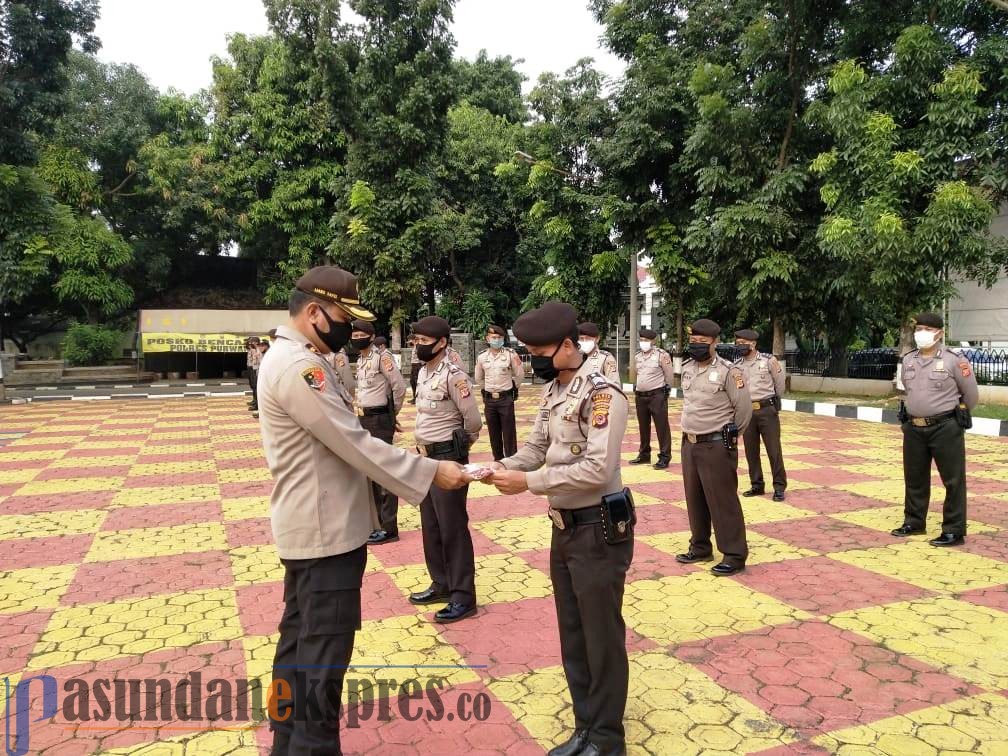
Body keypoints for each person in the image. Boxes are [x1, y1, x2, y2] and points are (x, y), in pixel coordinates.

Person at [256, 266, 471, 755]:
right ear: (314, 313)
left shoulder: (296, 357)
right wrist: (431, 472)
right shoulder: (298, 367)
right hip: (324, 531)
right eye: (341, 317)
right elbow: (354, 444)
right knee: (322, 659)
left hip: (313, 527)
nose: (348, 330)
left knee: (299, 647)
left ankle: (286, 743)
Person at [491, 301, 632, 756]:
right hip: (564, 527)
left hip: (597, 529)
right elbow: (535, 449)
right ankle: (585, 729)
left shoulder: (603, 394)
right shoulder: (555, 391)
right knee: (573, 633)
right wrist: (497, 469)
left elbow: (596, 469)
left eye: (539, 350)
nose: (532, 358)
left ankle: (608, 740)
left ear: (569, 346)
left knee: (601, 637)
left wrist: (527, 483)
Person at [409, 316, 483, 623]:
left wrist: (458, 450)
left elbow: (474, 421)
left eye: (423, 342)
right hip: (425, 460)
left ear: (441, 343)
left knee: (453, 528)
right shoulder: (423, 372)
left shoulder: (455, 376)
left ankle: (463, 596)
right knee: (432, 526)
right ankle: (441, 584)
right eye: (415, 341)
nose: (418, 347)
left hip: (448, 459)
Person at [891, 312, 979, 547]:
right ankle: (914, 521)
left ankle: (953, 530)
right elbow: (907, 390)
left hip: (945, 427)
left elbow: (971, 395)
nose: (922, 333)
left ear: (939, 333)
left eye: (928, 330)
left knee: (953, 480)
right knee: (914, 478)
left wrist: (954, 414)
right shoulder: (909, 360)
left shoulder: (954, 360)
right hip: (913, 427)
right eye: (919, 328)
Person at [676, 318, 752, 576]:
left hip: (717, 445)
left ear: (715, 343)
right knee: (694, 498)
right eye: (693, 342)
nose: (696, 346)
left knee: (722, 500)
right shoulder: (687, 368)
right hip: (690, 443)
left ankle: (734, 554)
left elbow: (743, 409)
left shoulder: (730, 372)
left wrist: (731, 435)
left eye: (702, 342)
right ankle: (700, 546)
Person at [351, 321, 407, 545]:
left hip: (379, 418)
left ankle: (389, 527)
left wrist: (391, 415)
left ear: (372, 336)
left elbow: (399, 387)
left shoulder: (382, 358)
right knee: (370, 471)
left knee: (383, 472)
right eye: (354, 334)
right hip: (363, 418)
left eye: (361, 334)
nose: (356, 337)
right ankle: (377, 524)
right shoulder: (362, 359)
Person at [734, 328, 787, 501]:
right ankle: (757, 484)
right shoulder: (737, 365)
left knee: (773, 449)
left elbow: (779, 384)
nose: (740, 346)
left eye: (744, 343)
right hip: (747, 412)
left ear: (753, 344)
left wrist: (774, 401)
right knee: (751, 451)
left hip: (766, 410)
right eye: (738, 343)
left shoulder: (768, 361)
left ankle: (779, 486)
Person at [475, 324, 525, 460]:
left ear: (503, 339)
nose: (496, 340)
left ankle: (511, 460)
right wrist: (488, 389)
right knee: (493, 433)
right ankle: (498, 459)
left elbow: (519, 374)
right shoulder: (482, 357)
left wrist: (513, 388)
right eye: (493, 337)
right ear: (487, 338)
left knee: (509, 433)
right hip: (489, 400)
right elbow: (478, 378)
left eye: (499, 337)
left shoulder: (511, 354)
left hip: (506, 399)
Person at [630, 327, 676, 469]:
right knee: (643, 427)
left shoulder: (662, 355)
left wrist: (666, 390)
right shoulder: (638, 356)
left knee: (661, 427)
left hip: (657, 395)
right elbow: (638, 373)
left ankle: (664, 457)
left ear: (653, 341)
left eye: (646, 340)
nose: (643, 342)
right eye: (641, 340)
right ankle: (644, 454)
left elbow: (669, 375)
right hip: (641, 396)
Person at [247, 337, 262, 412]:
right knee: (253, 386)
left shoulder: (259, 349)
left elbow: (258, 359)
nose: (250, 344)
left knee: (256, 387)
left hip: (257, 369)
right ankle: (255, 401)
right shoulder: (253, 349)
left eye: (251, 342)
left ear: (256, 342)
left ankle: (257, 404)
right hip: (252, 368)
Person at [407, 337, 422, 404]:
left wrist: (415, 344)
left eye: (410, 339)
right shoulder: (415, 345)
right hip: (414, 365)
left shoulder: (418, 346)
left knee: (416, 382)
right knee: (412, 381)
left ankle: (417, 398)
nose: (409, 341)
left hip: (417, 365)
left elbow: (420, 354)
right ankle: (414, 397)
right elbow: (409, 345)